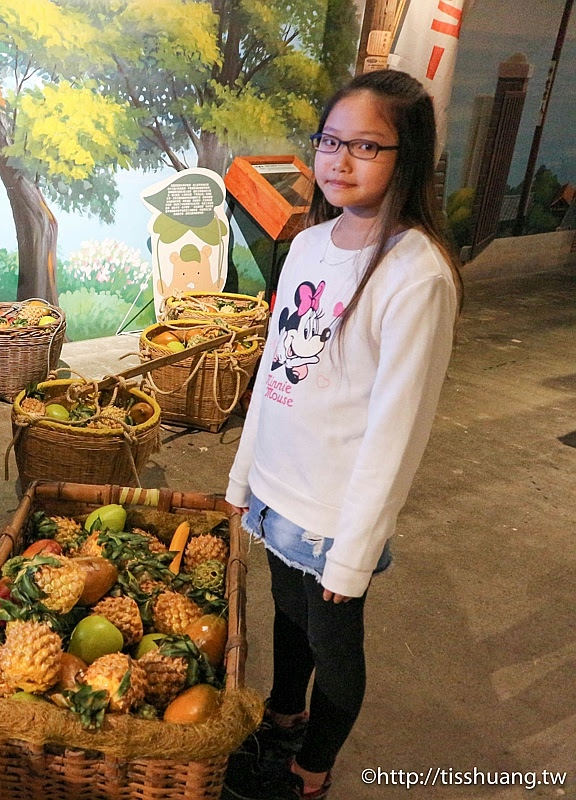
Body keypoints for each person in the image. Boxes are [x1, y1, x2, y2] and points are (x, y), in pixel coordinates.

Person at [223, 69, 462, 800]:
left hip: (334, 514)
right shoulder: (309, 243)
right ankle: (283, 715)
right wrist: (242, 479)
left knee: (334, 642)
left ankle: (308, 772)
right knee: (286, 617)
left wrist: (354, 552)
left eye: (367, 146)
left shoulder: (415, 275)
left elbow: (399, 432)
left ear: (408, 159)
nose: (339, 160)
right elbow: (273, 373)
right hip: (276, 487)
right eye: (331, 140)